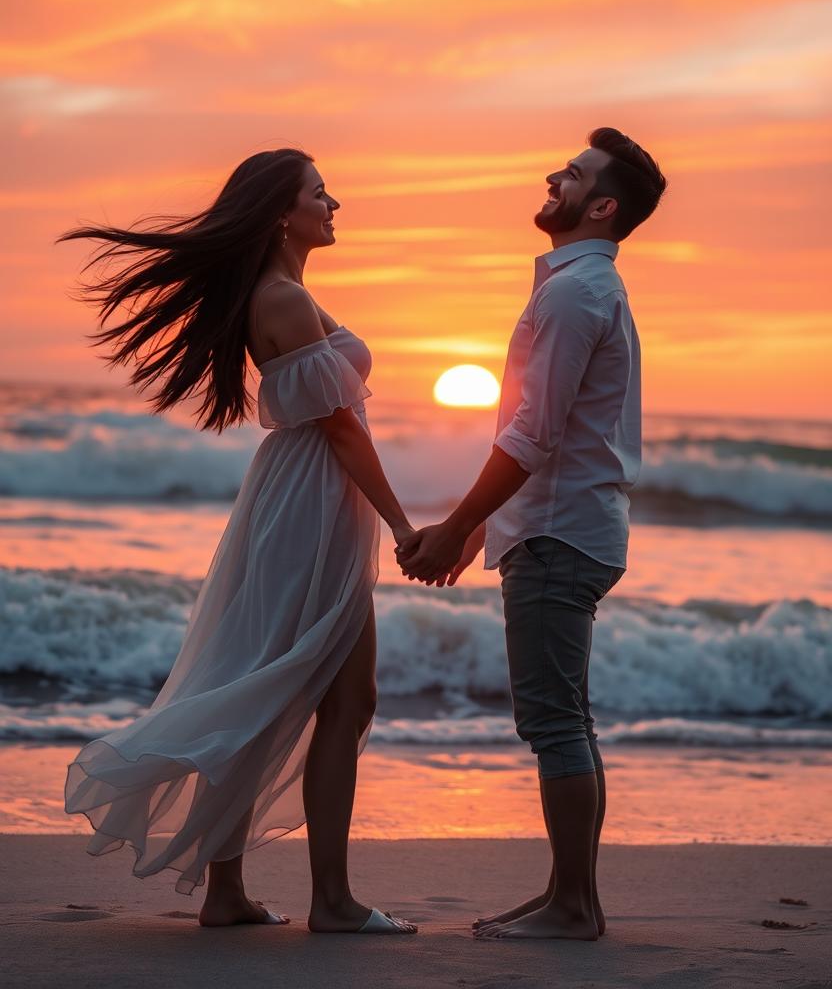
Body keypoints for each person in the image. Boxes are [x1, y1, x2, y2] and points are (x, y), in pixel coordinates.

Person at [61, 149, 418, 935]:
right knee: (336, 697)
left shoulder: (287, 294)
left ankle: (230, 894)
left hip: (303, 496)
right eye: (320, 193)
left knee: (274, 684)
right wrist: (401, 525)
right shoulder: (284, 298)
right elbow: (344, 431)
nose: (336, 203)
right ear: (281, 214)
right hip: (313, 498)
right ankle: (331, 902)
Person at [398, 127, 667, 941]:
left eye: (575, 175)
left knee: (552, 721)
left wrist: (460, 523)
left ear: (603, 205)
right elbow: (549, 429)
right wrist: (491, 523)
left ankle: (574, 906)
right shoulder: (584, 289)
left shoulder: (575, 293)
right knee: (567, 718)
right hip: (568, 526)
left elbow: (533, 433)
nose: (556, 178)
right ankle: (569, 897)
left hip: (559, 535)